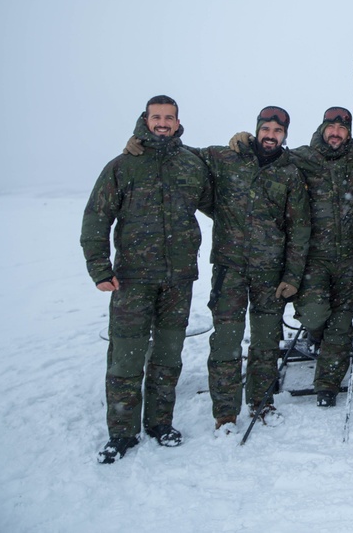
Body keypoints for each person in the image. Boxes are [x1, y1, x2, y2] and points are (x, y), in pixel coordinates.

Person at [82, 95, 213, 464]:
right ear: (146, 119)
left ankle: (160, 423)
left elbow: (219, 203)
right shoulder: (123, 166)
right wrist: (100, 268)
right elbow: (96, 217)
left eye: (169, 117)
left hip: (178, 280)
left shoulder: (191, 164)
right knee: (125, 360)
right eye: (157, 117)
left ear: (177, 121)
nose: (163, 123)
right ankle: (122, 433)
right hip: (132, 280)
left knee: (168, 357)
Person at [196, 106, 310, 433]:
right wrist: (140, 139)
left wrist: (292, 276)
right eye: (266, 129)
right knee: (226, 343)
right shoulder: (227, 157)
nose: (271, 136)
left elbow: (299, 229)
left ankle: (262, 402)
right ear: (257, 129)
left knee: (265, 343)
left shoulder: (290, 173)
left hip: (270, 273)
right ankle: (225, 413)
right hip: (229, 269)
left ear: (285, 135)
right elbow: (182, 156)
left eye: (278, 131)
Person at [285, 107, 353, 408]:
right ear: (322, 129)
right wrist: (242, 140)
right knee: (315, 314)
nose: (336, 133)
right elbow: (265, 156)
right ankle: (315, 335)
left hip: (349, 257)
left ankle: (327, 384)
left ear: (349, 133)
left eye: (342, 129)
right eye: (331, 128)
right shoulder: (301, 157)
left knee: (342, 322)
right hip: (315, 258)